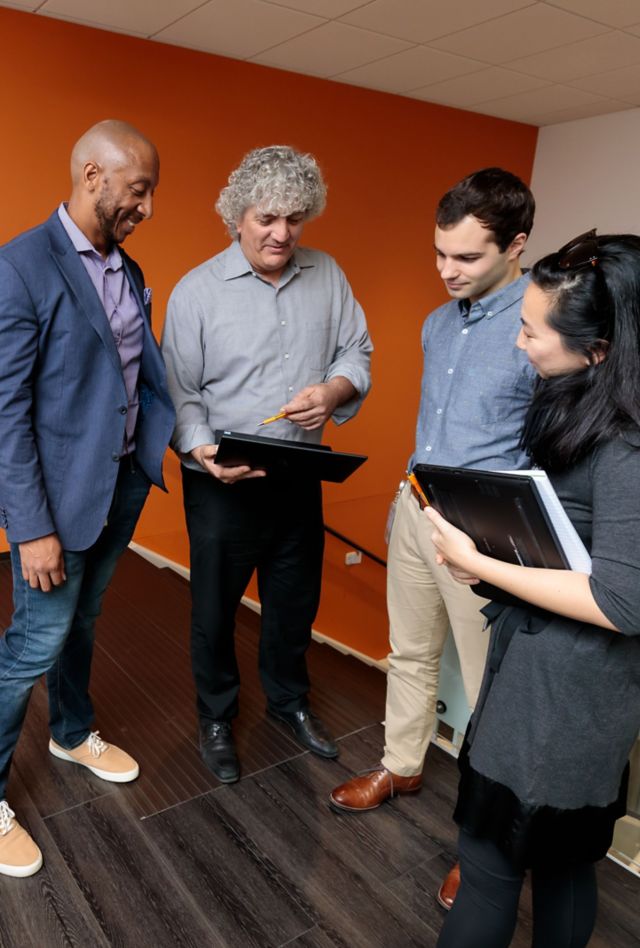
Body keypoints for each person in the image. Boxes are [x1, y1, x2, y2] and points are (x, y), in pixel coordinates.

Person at [330, 167, 536, 908]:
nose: (447, 271)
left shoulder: (543, 327)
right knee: (410, 654)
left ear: (516, 246)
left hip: (487, 533)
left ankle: (482, 845)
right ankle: (401, 764)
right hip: (417, 507)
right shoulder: (437, 322)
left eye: (467, 258)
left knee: (491, 695)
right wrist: (402, 501)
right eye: (439, 254)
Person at [429, 230, 640, 947]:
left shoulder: (629, 445)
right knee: (562, 868)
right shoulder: (589, 403)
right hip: (547, 675)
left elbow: (622, 602)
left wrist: (482, 565)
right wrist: (487, 553)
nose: (519, 343)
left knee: (493, 868)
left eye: (530, 330)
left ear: (600, 348)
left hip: (570, 695)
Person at [161, 145, 372, 783]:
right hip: (222, 482)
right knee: (214, 611)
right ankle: (217, 717)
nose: (282, 233)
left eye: (295, 218)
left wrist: (333, 392)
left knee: (293, 602)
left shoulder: (328, 274)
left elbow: (356, 352)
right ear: (237, 216)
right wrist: (202, 451)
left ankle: (288, 703)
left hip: (299, 477)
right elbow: (178, 393)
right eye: (267, 218)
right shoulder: (196, 292)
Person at [0, 120, 175, 878]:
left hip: (120, 485)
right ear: (93, 176)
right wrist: (29, 527)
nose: (146, 208)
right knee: (32, 645)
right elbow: (5, 411)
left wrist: (178, 448)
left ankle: (71, 732)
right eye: (137, 191)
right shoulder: (21, 266)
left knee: (86, 619)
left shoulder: (127, 269)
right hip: (57, 503)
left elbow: (135, 376)